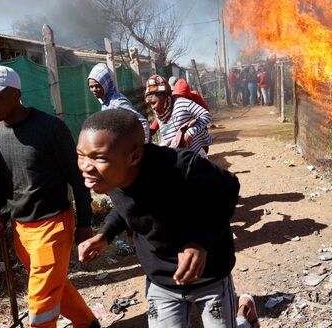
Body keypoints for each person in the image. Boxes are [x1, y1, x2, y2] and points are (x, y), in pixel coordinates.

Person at [76, 109, 241, 328]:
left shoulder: (183, 168)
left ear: (133, 157)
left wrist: (200, 242)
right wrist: (105, 235)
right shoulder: (109, 176)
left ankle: (245, 316)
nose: (86, 167)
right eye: (81, 155)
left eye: (99, 157)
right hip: (161, 281)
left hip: (209, 276)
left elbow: (229, 188)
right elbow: (127, 206)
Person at [0, 66, 99, 328]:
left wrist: (84, 224)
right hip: (21, 229)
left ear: (15, 94)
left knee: (40, 302)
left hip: (53, 226)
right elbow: (6, 177)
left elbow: (77, 177)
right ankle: (88, 324)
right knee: (52, 286)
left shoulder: (50, 128)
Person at [144, 75, 213, 156]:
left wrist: (191, 132)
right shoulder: (159, 113)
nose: (153, 107)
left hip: (195, 155)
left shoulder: (182, 102)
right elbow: (166, 136)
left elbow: (206, 114)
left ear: (163, 94)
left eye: (153, 103)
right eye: (149, 104)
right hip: (178, 157)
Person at [87, 63, 149, 143]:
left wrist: (143, 148)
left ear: (106, 84)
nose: (94, 89)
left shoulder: (117, 103)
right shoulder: (106, 103)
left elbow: (141, 122)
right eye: (91, 87)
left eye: (97, 86)